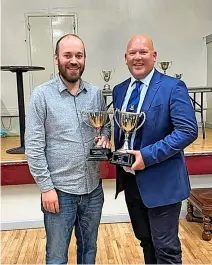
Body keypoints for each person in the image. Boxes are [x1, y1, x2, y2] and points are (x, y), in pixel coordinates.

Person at [25, 34, 111, 264]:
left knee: (89, 251)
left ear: (84, 59)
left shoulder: (94, 94)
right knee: (56, 256)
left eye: (79, 55)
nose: (74, 61)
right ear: (56, 59)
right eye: (68, 55)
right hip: (59, 193)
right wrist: (46, 187)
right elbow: (33, 147)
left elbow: (105, 126)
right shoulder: (41, 95)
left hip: (93, 191)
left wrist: (104, 138)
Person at [112, 34, 198, 264]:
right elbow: (124, 132)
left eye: (143, 52)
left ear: (154, 56)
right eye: (132, 53)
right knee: (146, 241)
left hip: (163, 182)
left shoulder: (172, 87)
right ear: (125, 58)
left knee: (166, 248)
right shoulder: (119, 90)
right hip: (131, 181)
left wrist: (147, 156)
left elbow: (187, 130)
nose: (137, 57)